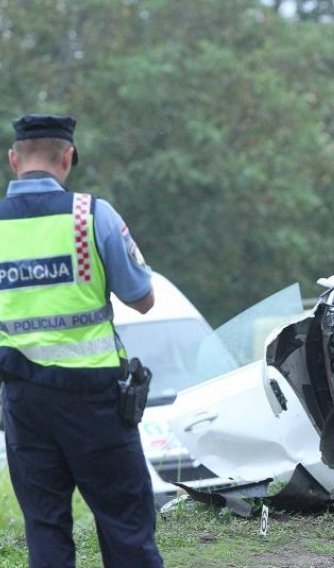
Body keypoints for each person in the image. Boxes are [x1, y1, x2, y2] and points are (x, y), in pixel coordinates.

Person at [0, 114, 163, 567]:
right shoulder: (92, 215)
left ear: (15, 160)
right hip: (96, 403)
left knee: (46, 527)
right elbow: (143, 299)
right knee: (126, 524)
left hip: (24, 402)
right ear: (67, 157)